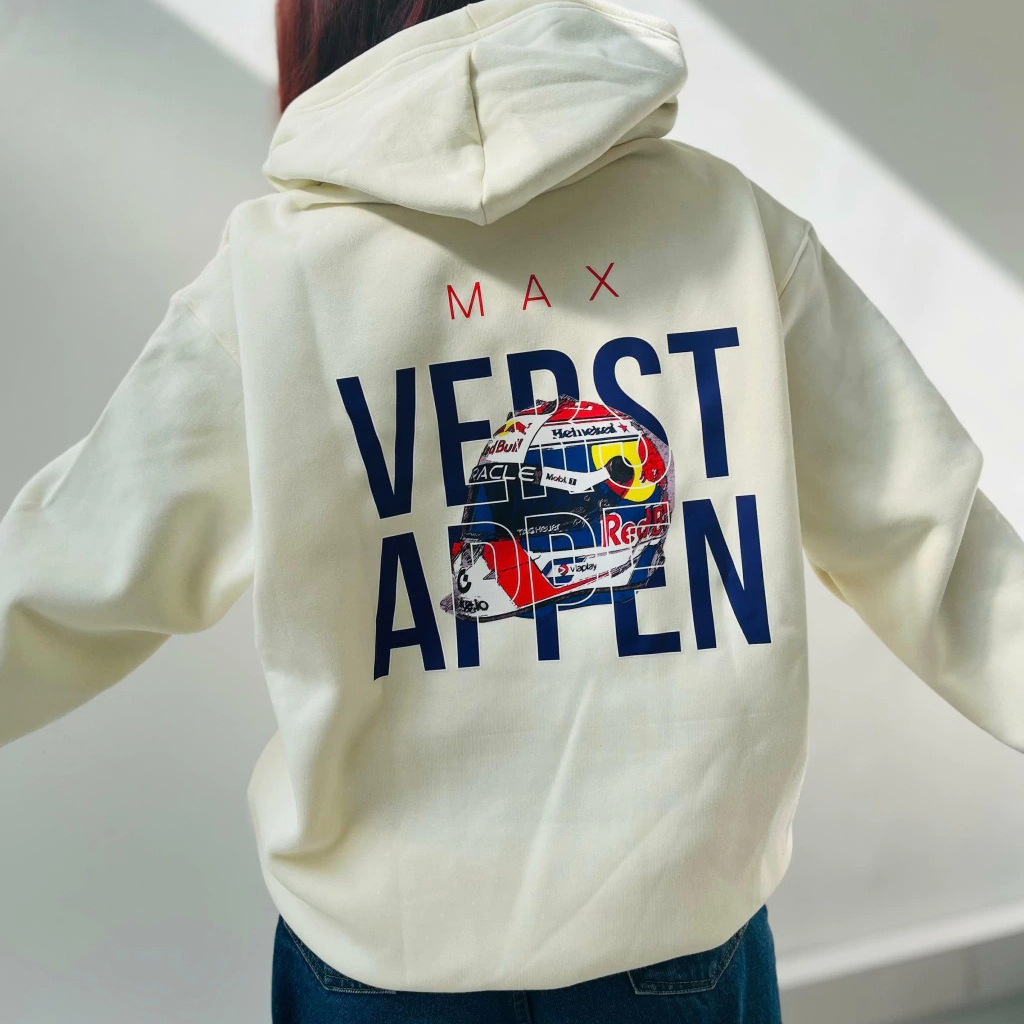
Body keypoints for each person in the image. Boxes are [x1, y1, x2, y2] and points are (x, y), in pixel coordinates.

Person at [2, 0, 1022, 1020]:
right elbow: (933, 542)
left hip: (382, 965)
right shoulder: (723, 225)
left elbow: (68, 576)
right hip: (672, 949)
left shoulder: (272, 278)